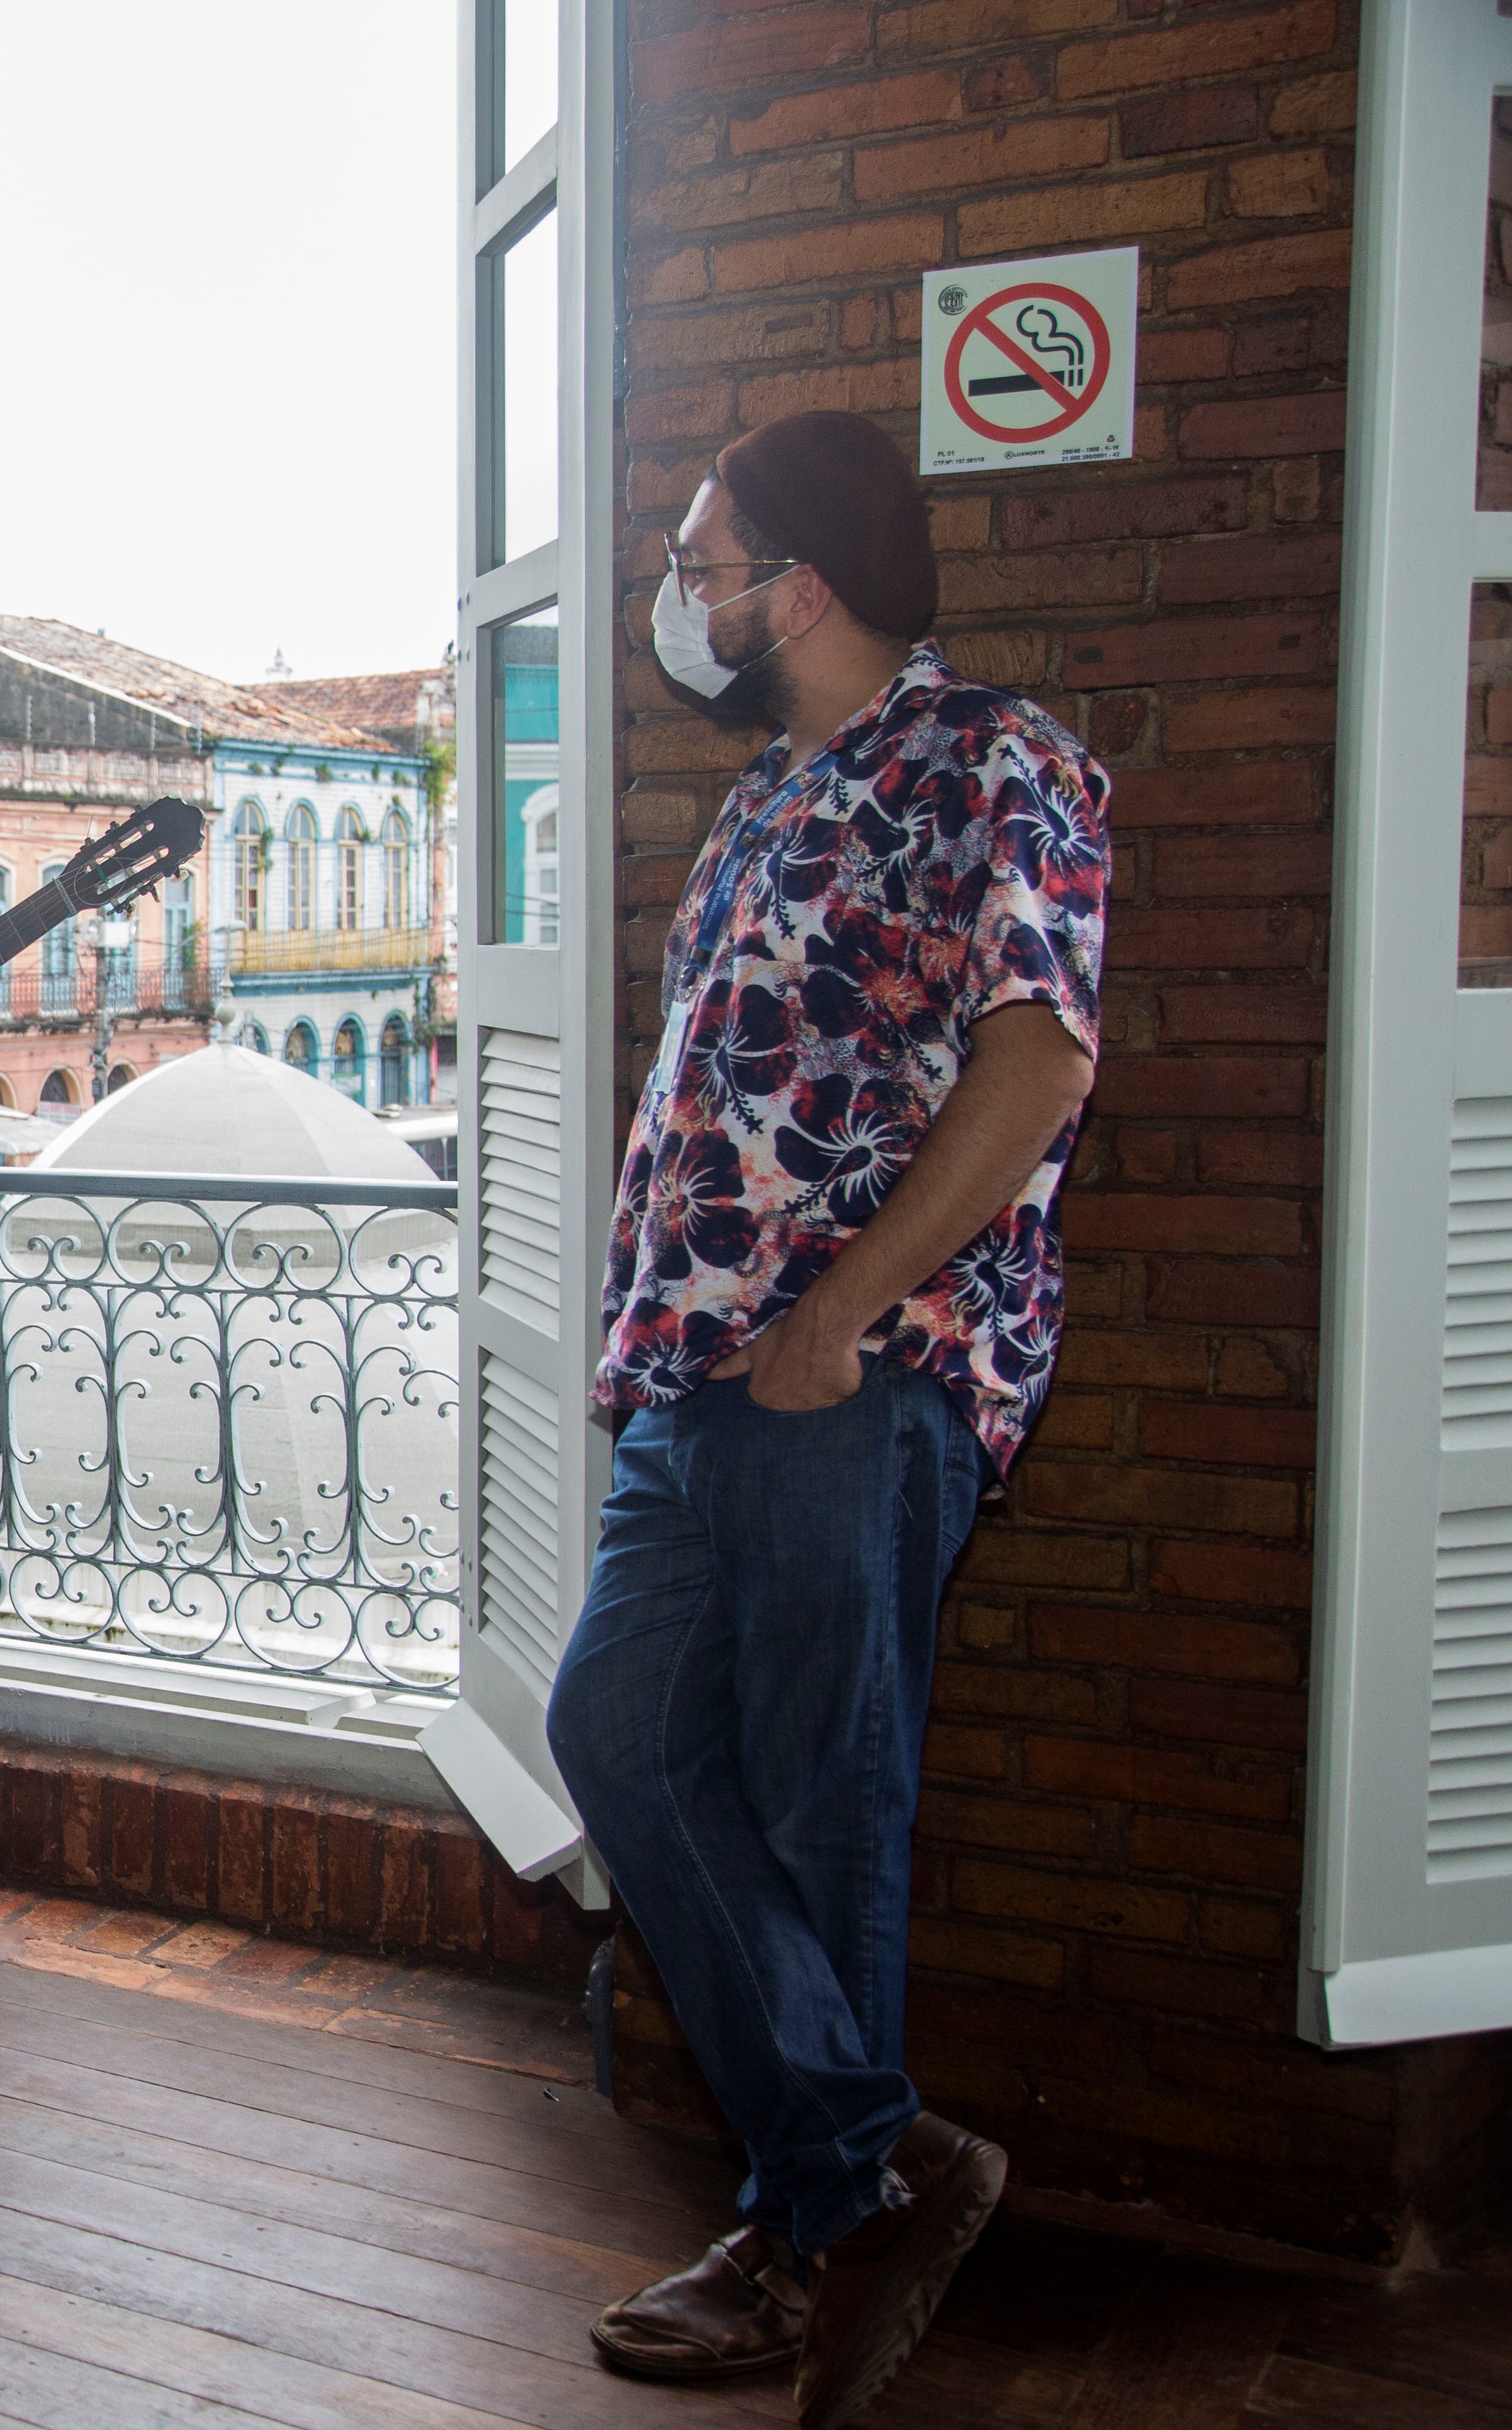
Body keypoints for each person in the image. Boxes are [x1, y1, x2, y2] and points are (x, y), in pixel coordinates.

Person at [546, 411, 1107, 2429]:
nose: (679, 599)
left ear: (796, 581)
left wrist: (842, 1318)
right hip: (695, 1383)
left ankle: (811, 2237)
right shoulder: (767, 795)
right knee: (614, 1733)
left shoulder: (996, 763)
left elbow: (1035, 1071)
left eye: (699, 562)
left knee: (819, 1800)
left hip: (851, 1380)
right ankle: (873, 2168)